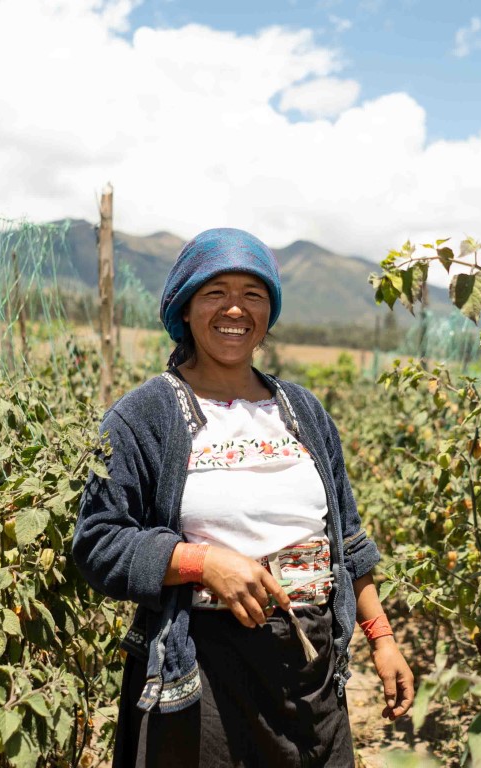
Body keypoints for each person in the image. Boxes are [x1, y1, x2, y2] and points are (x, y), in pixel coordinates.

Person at [73, 228, 414, 766]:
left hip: (308, 669)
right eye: (215, 292)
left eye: (252, 294)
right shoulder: (145, 416)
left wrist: (383, 639)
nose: (235, 308)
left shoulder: (301, 410)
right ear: (185, 308)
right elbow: (97, 541)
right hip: (201, 672)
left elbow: (346, 537)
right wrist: (201, 562)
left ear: (268, 314)